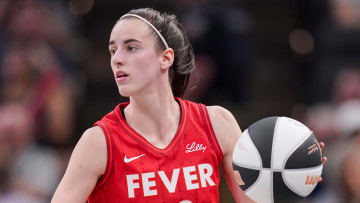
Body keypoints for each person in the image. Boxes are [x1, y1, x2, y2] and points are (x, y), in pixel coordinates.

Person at [51, 8, 326, 203]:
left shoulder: (216, 122)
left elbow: (253, 199)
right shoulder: (99, 141)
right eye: (113, 50)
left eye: (131, 47)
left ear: (165, 58)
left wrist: (290, 173)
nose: (117, 59)